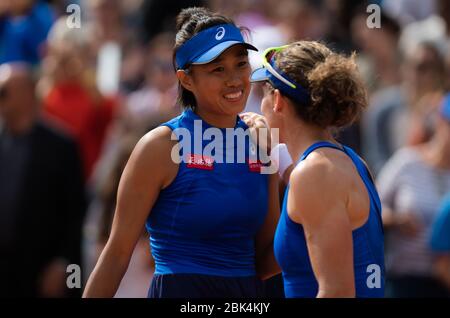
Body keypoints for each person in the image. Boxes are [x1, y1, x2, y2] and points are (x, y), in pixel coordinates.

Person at [83, 7, 280, 298]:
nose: (235, 80)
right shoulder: (160, 146)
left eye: (241, 64)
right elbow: (116, 254)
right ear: (186, 79)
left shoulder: (263, 143)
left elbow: (267, 257)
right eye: (217, 69)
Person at [250, 41, 385, 297]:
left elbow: (336, 292)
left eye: (262, 94)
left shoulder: (315, 174)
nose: (258, 106)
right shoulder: (340, 162)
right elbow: (266, 264)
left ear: (277, 100)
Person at [0, 63, 86, 297]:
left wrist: (62, 262)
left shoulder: (61, 146)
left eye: (4, 92)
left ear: (27, 94)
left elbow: (75, 210)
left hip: (40, 270)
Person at [377, 92, 450, 297]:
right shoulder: (408, 161)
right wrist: (396, 220)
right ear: (440, 121)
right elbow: (371, 207)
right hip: (404, 281)